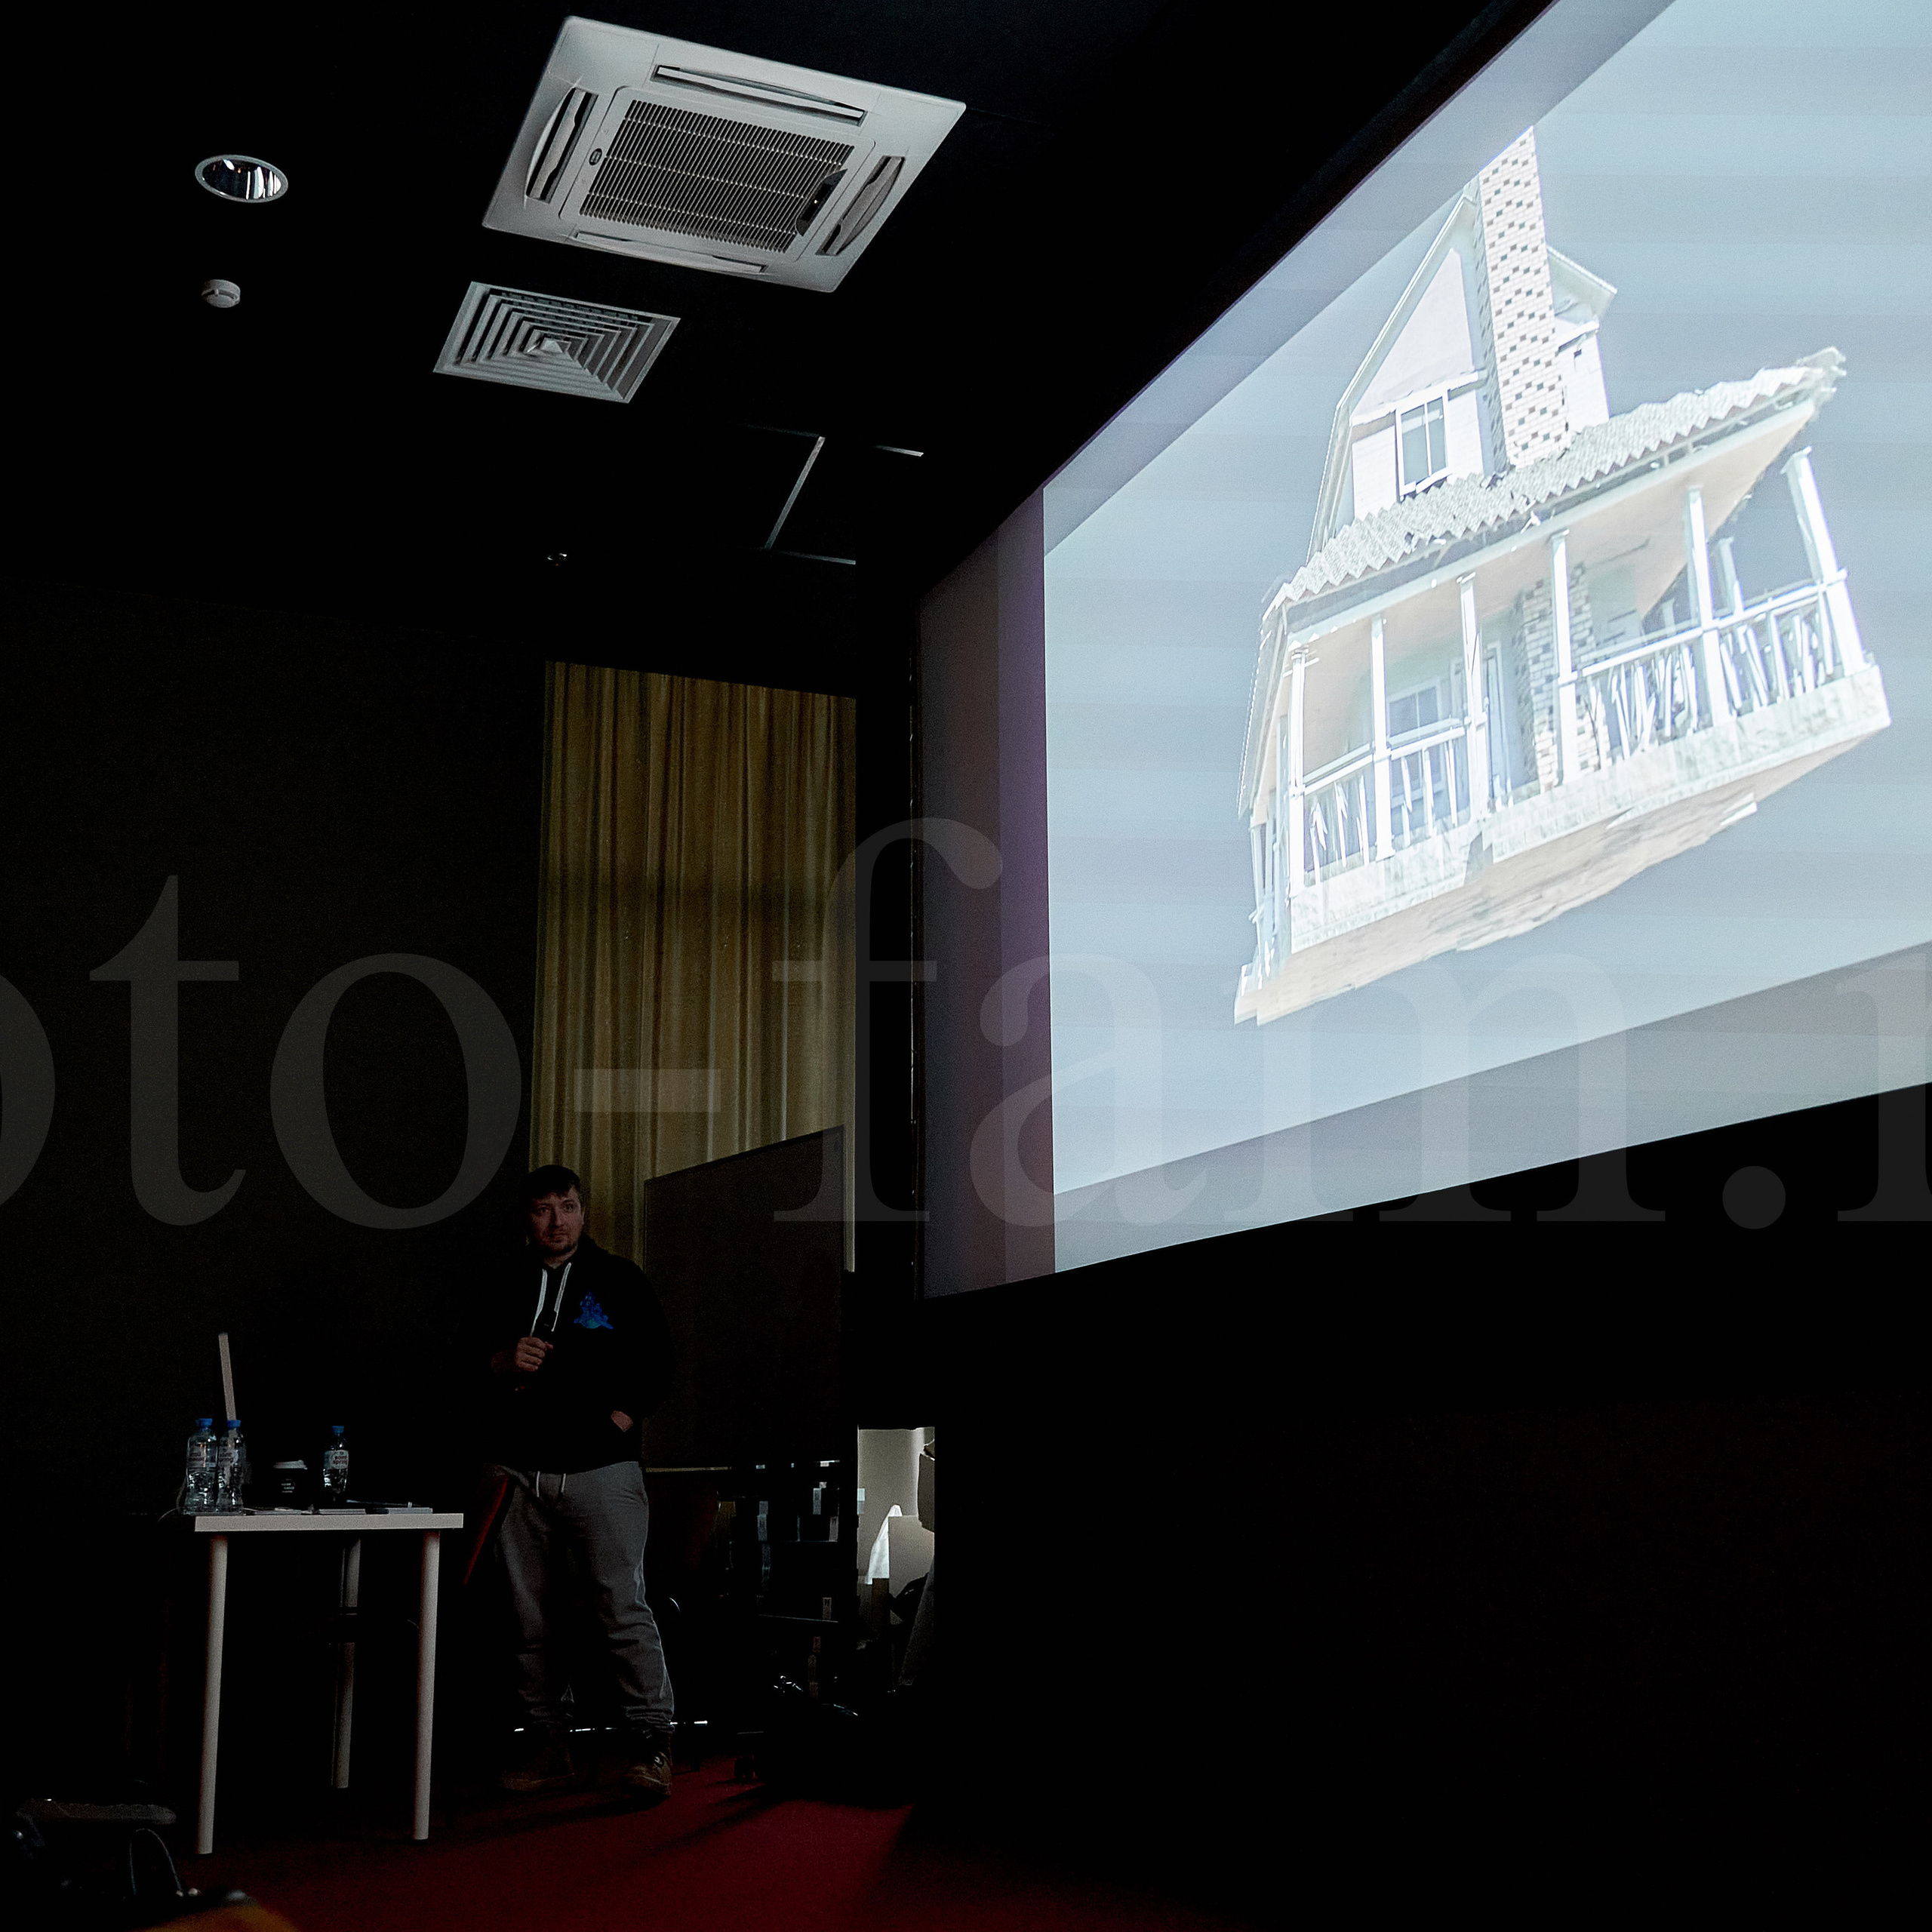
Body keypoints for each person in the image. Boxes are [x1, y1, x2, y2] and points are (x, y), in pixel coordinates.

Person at [485, 1164, 677, 1798]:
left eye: (567, 1207)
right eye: (544, 1210)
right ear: (528, 1218)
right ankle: (548, 1745)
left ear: (583, 1211)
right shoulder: (503, 1283)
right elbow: (460, 1365)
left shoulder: (619, 1278)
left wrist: (619, 1419)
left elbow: (661, 1360)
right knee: (526, 1617)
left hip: (603, 1471)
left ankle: (651, 1745)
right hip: (519, 1473)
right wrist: (500, 1360)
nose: (557, 1221)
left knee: (621, 1607)